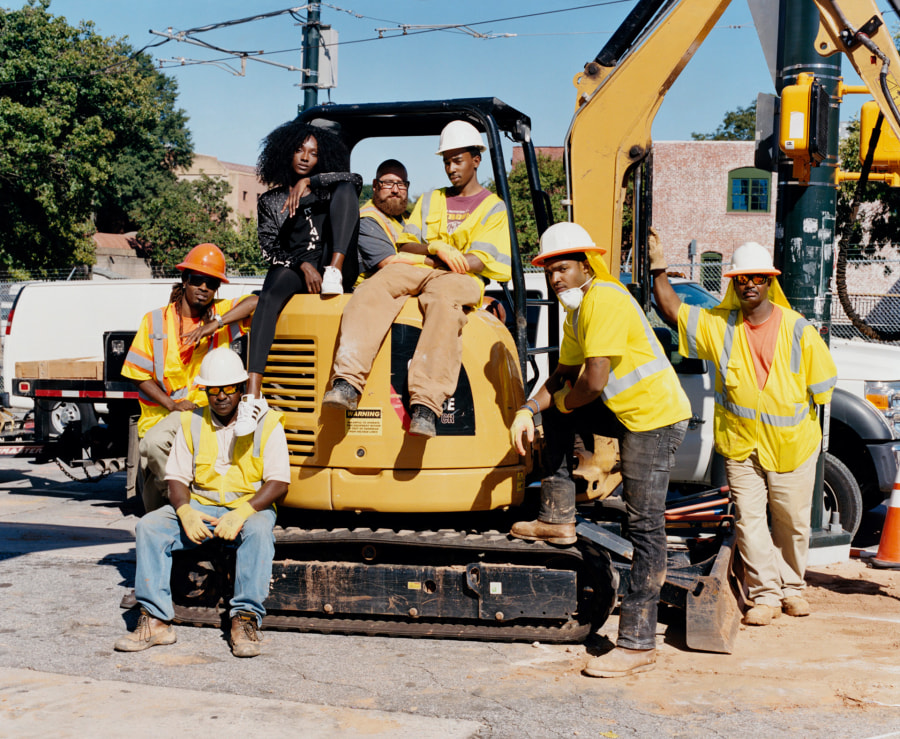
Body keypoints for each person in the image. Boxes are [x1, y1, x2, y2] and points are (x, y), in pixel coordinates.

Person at [508, 222, 691, 678]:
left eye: (564, 268)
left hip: (655, 419)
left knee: (643, 522)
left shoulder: (605, 298)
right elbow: (563, 375)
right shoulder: (578, 310)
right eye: (550, 271)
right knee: (553, 409)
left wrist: (561, 404)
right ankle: (557, 518)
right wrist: (528, 409)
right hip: (628, 414)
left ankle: (637, 642)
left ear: (586, 266)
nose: (556, 279)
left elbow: (591, 381)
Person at [650, 238, 837, 626]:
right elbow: (673, 312)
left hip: (791, 447)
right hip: (741, 446)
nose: (749, 284)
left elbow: (823, 388)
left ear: (770, 282)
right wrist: (658, 269)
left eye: (757, 278)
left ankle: (793, 589)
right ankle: (765, 595)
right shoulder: (721, 327)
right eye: (741, 279)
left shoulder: (799, 331)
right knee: (750, 521)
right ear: (733, 284)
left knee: (793, 522)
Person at [322, 120, 511, 437]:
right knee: (375, 286)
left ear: (476, 159)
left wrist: (457, 260)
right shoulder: (431, 199)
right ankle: (348, 381)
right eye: (446, 161)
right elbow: (406, 243)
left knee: (443, 300)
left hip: (461, 278)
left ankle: (425, 404)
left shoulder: (494, 208)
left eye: (457, 160)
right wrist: (437, 248)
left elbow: (483, 259)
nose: (451, 168)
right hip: (422, 268)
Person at [114, 347, 290, 658]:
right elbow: (177, 478)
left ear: (240, 389)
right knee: (150, 527)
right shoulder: (191, 422)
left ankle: (244, 620)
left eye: (228, 389)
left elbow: (278, 482)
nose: (221, 396)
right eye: (213, 390)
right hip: (201, 505)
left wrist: (244, 513)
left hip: (250, 509)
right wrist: (184, 511)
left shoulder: (268, 423)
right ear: (205, 391)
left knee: (260, 533)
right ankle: (156, 621)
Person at [235, 119, 361, 436]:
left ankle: (334, 267)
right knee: (270, 290)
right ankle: (252, 395)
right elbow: (269, 248)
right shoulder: (271, 201)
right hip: (297, 264)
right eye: (299, 150)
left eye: (313, 152)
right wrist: (302, 265)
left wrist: (313, 182)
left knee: (346, 188)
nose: (305, 157)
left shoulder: (331, 189)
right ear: (285, 154)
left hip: (335, 260)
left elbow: (354, 180)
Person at [122, 243, 257, 513]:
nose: (205, 288)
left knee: (164, 507)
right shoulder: (154, 321)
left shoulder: (219, 316)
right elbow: (138, 375)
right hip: (162, 419)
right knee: (154, 502)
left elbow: (259, 301)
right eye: (198, 280)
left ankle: (191, 509)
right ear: (184, 280)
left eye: (212, 283)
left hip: (204, 416)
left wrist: (215, 324)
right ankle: (192, 504)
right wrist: (172, 405)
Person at [356, 159, 411, 281]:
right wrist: (432, 262)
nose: (395, 190)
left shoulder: (408, 217)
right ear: (375, 185)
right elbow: (390, 266)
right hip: (373, 294)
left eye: (401, 184)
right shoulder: (366, 220)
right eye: (388, 183)